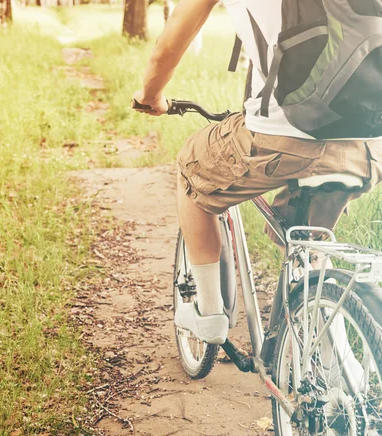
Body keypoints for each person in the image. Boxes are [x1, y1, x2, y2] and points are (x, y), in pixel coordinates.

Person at [132, 0, 382, 345]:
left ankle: (208, 314)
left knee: (191, 169)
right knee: (301, 240)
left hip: (280, 136)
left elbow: (166, 49)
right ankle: (328, 352)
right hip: (366, 144)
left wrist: (151, 96)